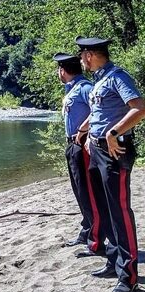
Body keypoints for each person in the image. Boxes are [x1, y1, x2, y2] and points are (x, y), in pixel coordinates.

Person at [75, 36, 145, 292]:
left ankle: (129, 278)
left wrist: (112, 133)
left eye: (82, 55)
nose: (81, 60)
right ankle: (114, 263)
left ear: (90, 54)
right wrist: (88, 135)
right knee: (104, 209)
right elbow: (99, 112)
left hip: (115, 152)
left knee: (119, 211)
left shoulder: (117, 76)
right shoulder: (99, 80)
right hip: (97, 152)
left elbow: (139, 108)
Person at [52, 52, 105, 257]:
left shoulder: (85, 88)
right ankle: (87, 229)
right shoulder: (72, 89)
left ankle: (96, 237)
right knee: (79, 191)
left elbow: (98, 111)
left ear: (63, 70)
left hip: (82, 145)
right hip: (72, 144)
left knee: (89, 192)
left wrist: (83, 130)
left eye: (59, 69)